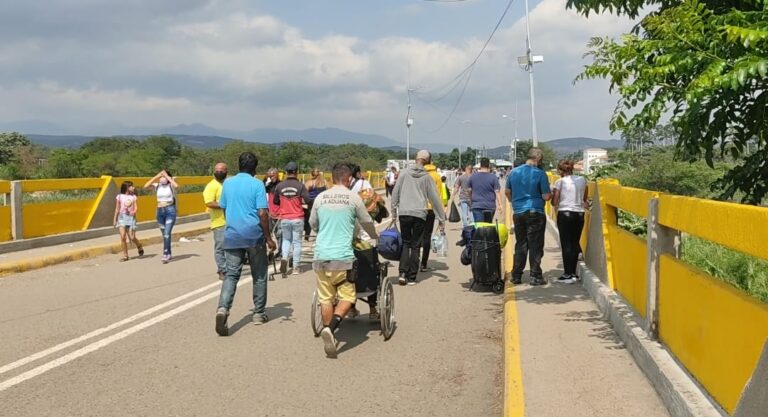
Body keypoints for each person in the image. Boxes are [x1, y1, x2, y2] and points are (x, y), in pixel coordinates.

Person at [309, 163, 379, 358]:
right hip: (343, 258)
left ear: (332, 179)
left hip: (321, 256)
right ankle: (330, 329)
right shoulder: (353, 198)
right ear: (349, 179)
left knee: (325, 298)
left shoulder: (321, 197)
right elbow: (366, 222)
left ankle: (328, 330)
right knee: (348, 297)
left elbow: (313, 223)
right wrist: (374, 237)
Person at [214, 152, 277, 336]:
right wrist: (268, 238)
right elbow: (263, 213)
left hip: (232, 235)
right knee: (259, 275)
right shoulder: (257, 184)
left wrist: (232, 225)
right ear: (255, 167)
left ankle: (222, 309)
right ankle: (258, 314)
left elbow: (224, 208)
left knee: (231, 276)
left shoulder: (228, 183)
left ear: (238, 165)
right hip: (253, 236)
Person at [391, 150, 446, 286]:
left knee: (406, 243)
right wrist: (441, 218)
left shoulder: (404, 173)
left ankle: (402, 273)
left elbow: (395, 194)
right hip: (420, 214)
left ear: (416, 159)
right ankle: (411, 277)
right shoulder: (427, 177)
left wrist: (393, 213)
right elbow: (435, 198)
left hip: (404, 212)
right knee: (415, 245)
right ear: (427, 162)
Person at [505, 148, 552, 286]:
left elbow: (507, 191)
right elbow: (546, 196)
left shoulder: (514, 172)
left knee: (521, 244)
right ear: (538, 159)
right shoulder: (540, 174)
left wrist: (514, 202)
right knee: (535, 245)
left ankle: (516, 275)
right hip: (535, 211)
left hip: (518, 212)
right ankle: (535, 276)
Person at [552, 159, 589, 284]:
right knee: (574, 243)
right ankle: (573, 273)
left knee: (566, 244)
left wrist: (553, 195)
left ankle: (567, 274)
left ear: (560, 170)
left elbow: (555, 202)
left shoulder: (559, 182)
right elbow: (584, 198)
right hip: (579, 214)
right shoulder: (582, 180)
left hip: (565, 213)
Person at [274, 162, 310, 276]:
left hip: (284, 217)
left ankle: (284, 257)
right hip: (297, 217)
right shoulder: (300, 186)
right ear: (296, 172)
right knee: (297, 242)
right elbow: (308, 200)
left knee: (286, 240)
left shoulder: (279, 186)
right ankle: (295, 267)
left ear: (286, 172)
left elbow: (275, 201)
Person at [143, 170, 178, 264]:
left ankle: (165, 254)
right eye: (161, 177)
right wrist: (156, 176)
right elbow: (145, 186)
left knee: (167, 233)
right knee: (165, 235)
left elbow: (176, 186)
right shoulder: (157, 186)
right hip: (160, 211)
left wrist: (167, 176)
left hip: (170, 210)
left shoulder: (171, 186)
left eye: (164, 177)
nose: (162, 178)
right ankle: (169, 252)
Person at [420, 156, 447, 272]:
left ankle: (413, 261)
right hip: (430, 210)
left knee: (416, 236)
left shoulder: (418, 174)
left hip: (418, 208)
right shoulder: (436, 176)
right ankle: (424, 264)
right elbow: (439, 196)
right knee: (427, 236)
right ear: (431, 162)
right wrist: (441, 217)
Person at [203, 163, 228, 280]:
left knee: (231, 247)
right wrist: (224, 205)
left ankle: (229, 267)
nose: (219, 172)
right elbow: (209, 202)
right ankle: (222, 269)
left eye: (222, 170)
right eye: (217, 170)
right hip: (219, 222)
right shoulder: (211, 186)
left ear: (226, 171)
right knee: (220, 247)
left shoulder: (228, 184)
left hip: (231, 220)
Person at [113, 181, 144, 261]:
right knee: (123, 237)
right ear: (127, 187)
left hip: (130, 218)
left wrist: (132, 212)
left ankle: (139, 245)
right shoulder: (119, 196)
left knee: (132, 237)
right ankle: (125, 255)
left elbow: (136, 207)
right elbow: (117, 208)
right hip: (122, 218)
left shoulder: (133, 197)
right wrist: (115, 219)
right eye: (131, 186)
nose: (133, 187)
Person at [467, 158, 503, 223]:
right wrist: (500, 205)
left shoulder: (473, 177)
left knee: (479, 228)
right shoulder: (493, 177)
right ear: (488, 165)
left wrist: (471, 201)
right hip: (490, 206)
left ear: (480, 165)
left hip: (477, 205)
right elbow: (497, 191)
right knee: (488, 227)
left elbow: (469, 190)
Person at [304, 168, 327, 240]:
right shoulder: (324, 182)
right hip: (322, 203)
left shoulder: (309, 182)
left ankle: (307, 236)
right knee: (322, 220)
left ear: (311, 174)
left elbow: (305, 194)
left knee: (310, 219)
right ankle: (321, 236)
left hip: (312, 203)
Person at [264, 168, 282, 258]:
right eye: (269, 176)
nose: (271, 177)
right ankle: (271, 252)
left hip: (280, 214)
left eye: (272, 175)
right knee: (271, 234)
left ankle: (281, 251)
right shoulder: (268, 186)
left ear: (277, 174)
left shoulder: (280, 185)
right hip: (270, 213)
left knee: (280, 234)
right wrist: (266, 183)